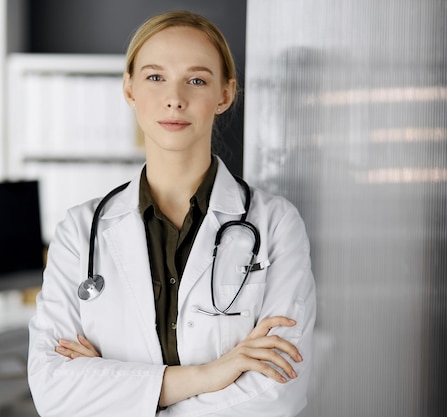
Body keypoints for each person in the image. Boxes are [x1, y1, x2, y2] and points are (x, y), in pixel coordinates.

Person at [28, 10, 316, 417]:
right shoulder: (79, 232)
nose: (175, 98)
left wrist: (116, 390)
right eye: (154, 77)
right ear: (129, 89)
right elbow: (53, 390)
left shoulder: (276, 225)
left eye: (196, 80)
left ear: (225, 94)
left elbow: (275, 396)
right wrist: (213, 374)